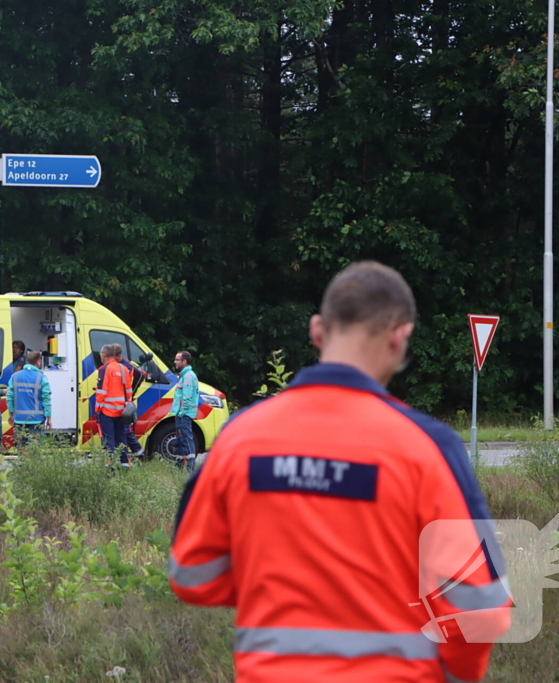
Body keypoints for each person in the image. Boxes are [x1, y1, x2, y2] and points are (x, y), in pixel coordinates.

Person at [169, 261, 511, 682]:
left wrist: (280, 579)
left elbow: (191, 574)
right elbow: (481, 604)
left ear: (317, 331)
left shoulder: (241, 437)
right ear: (401, 337)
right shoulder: (429, 448)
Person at [95, 344, 133, 468]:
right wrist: (127, 403)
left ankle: (110, 463)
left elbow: (102, 390)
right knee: (121, 437)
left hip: (107, 411)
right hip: (121, 411)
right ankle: (125, 463)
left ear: (104, 355)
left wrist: (98, 408)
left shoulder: (105, 369)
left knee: (108, 437)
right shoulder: (123, 369)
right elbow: (128, 389)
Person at [7, 350, 52, 452]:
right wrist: (49, 418)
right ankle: (32, 468)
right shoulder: (42, 378)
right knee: (34, 452)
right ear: (38, 362)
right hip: (36, 420)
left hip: (19, 420)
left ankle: (23, 468)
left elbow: (10, 396)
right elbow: (46, 399)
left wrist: (11, 414)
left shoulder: (15, 376)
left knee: (22, 451)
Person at [115, 343, 147, 460]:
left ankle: (138, 455)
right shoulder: (127, 365)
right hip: (126, 401)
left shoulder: (126, 367)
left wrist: (130, 394)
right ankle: (136, 454)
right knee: (125, 430)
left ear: (118, 356)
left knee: (126, 430)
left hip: (125, 403)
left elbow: (139, 375)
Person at [169, 350, 199, 472]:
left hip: (184, 413)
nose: (175, 362)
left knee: (186, 439)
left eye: (177, 359)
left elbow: (186, 397)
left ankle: (190, 467)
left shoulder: (187, 376)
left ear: (184, 361)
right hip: (182, 413)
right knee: (181, 440)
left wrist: (182, 412)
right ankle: (179, 465)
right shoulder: (186, 375)